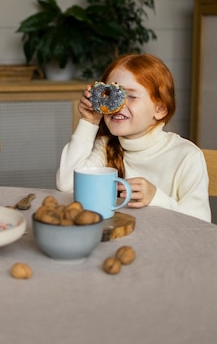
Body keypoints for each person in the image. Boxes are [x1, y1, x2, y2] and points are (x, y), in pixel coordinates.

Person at [56, 53, 211, 222]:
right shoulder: (106, 146)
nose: (119, 105)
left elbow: (201, 223)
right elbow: (66, 185)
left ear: (160, 109)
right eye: (111, 94)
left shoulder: (187, 156)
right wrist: (89, 121)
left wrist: (156, 198)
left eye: (131, 96)